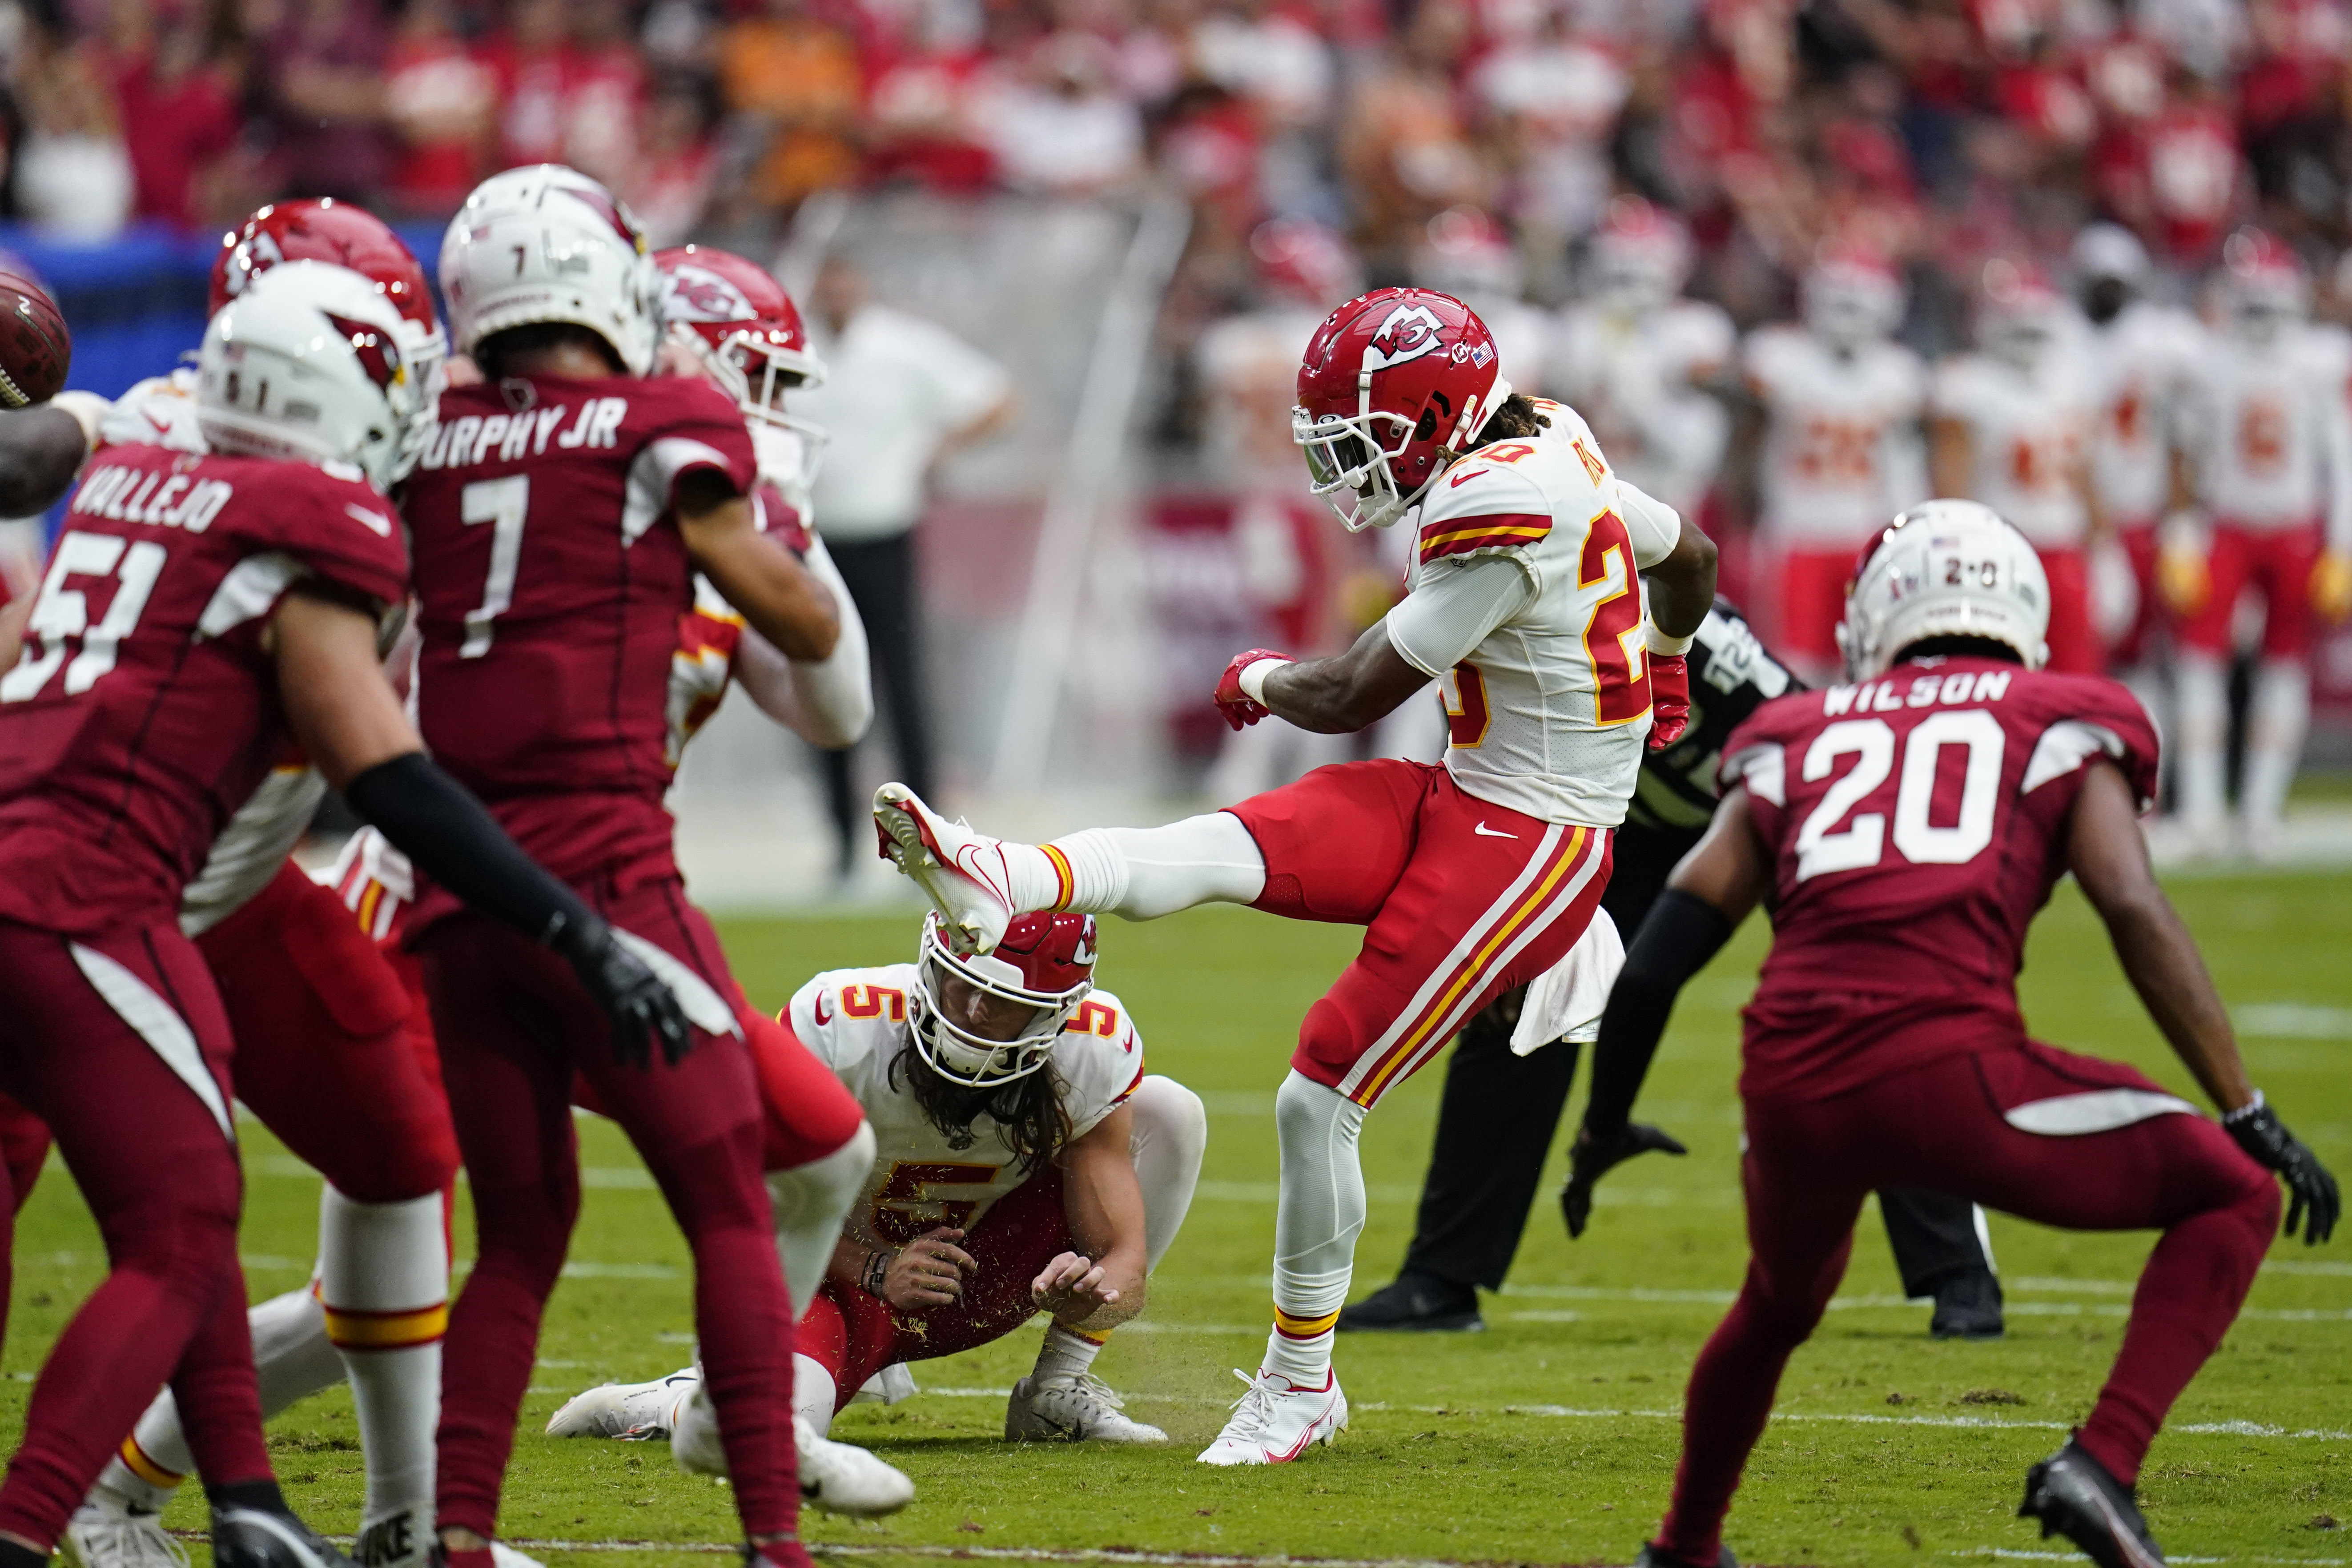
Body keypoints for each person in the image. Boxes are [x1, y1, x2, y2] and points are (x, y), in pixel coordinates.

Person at [66, 230, 911, 1568]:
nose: (766, 403)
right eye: (750, 372)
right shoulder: (480, 459)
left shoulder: (680, 498)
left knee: (818, 1148)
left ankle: (731, 1411)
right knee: (388, 1260)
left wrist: (770, 517)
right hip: (428, 897)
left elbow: (839, 705)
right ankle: (156, 1479)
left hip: (592, 908)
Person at [869, 286, 1719, 1465]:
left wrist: (1261, 675)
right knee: (1231, 839)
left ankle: (1299, 1380)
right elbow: (1693, 554)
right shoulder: (1545, 434)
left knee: (1319, 1090)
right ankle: (1006, 873)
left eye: (1362, 440)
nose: (1345, 466)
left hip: (1536, 839)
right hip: (1463, 792)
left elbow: (1351, 693)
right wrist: (1666, 670)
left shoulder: (1504, 494)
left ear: (1436, 420)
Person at [0, 259, 688, 1568]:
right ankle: (46, 1514)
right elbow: (393, 775)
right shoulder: (310, 511)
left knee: (231, 1183)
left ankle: (267, 1501)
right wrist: (570, 924)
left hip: (127, 871)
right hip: (95, 892)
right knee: (180, 1212)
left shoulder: (152, 460)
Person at [1564, 499, 2338, 1568]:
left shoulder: (1797, 730)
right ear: (2019, 609)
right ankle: (2102, 1460)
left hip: (1788, 1085)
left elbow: (1659, 953)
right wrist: (2241, 1104)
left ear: (1873, 614)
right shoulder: (2063, 713)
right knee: (2237, 1188)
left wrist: (1600, 1126)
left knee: (1775, 1303)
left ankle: (1684, 1544)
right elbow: (2128, 902)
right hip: (1953, 1070)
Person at [405, 164, 843, 1568]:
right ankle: (771, 1534)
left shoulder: (426, 423)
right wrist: (770, 510)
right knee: (725, 1199)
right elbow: (805, 625)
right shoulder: (665, 415)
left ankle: (456, 1532)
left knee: (519, 1231)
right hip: (608, 877)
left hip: (453, 886)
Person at [63, 197, 473, 1568]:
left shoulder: (394, 423)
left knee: (398, 1145)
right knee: (138, 1212)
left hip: (226, 883)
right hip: (85, 884)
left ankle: (402, 1524)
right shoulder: (176, 424)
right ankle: (83, 1496)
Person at [1338, 599, 2005, 1340]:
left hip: (1772, 814)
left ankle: (1959, 1274)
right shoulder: (1490, 637)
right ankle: (1441, 1279)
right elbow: (1487, 811)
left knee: (1862, 1007)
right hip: (1624, 833)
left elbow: (1811, 735)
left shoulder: (1688, 635)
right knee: (1518, 999)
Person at [547, 912, 1206, 1451]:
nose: (971, 1011)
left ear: (1055, 1013)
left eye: (1003, 1002)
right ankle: (678, 1396)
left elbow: (1126, 1267)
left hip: (976, 1274)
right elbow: (745, 1198)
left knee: (1169, 1112)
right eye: (960, 983)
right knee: (779, 1432)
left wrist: (1087, 1295)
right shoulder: (841, 1024)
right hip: (830, 1278)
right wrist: (872, 1267)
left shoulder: (1092, 1048)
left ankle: (1058, 1388)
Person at [793, 257, 1015, 876]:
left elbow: (996, 399)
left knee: (901, 683)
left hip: (884, 531)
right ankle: (841, 839)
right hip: (815, 539)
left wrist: (935, 453)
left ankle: (929, 832)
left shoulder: (900, 346)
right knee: (823, 682)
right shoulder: (797, 348)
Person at [2167, 227, 2352, 856]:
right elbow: (2187, 458)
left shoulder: (2318, 361)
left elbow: (2341, 457)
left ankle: (2259, 808)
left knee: (2283, 664)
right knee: (2200, 662)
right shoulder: (2208, 360)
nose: (2261, 319)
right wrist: (2182, 534)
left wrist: (2342, 543)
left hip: (2294, 527)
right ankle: (2200, 806)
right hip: (2226, 523)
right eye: (2253, 305)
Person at [1741, 243, 1928, 680]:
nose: (1848, 315)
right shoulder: (1779, 358)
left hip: (1864, 534)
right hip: (1797, 532)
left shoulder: (1897, 372)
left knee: (1868, 666)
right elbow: (1744, 442)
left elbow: (1904, 468)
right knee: (1794, 668)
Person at [1928, 260, 2104, 673]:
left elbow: (2085, 474)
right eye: (2017, 329)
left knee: (2075, 675)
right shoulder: (1969, 385)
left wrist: (2104, 547)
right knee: (1995, 672)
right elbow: (1952, 486)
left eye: (2034, 330)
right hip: (1996, 551)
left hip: (2064, 546)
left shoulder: (2069, 383)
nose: (2026, 340)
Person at [2068, 225, 2203, 716]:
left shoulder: (2160, 342)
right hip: (2078, 525)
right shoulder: (2063, 337)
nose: (2107, 293)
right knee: (2084, 656)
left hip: (2142, 515)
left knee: (2144, 656)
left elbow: (2185, 433)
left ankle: (2151, 776)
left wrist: (2183, 519)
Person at [1552, 198, 1733, 523]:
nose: (1631, 286)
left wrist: (1636, 396)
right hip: (1593, 488)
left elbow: (1697, 446)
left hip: (1670, 490)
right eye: (1620, 274)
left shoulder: (1696, 328)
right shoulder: (1576, 327)